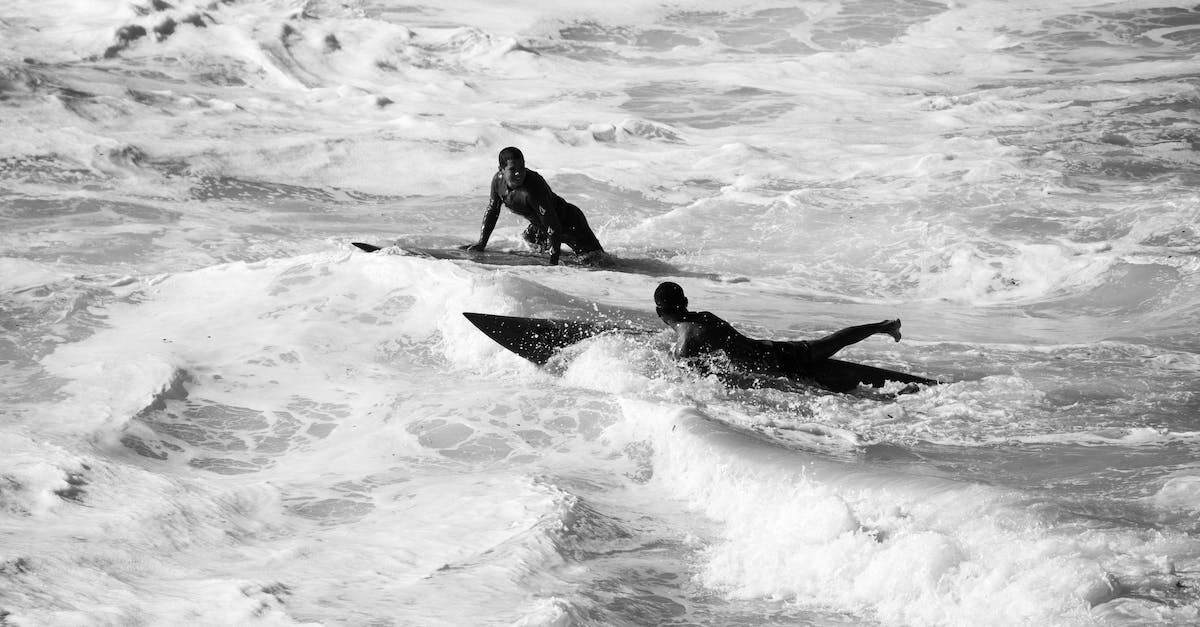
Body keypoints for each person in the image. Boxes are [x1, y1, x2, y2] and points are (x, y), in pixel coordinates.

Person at [653, 281, 901, 379]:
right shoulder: (703, 317)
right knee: (828, 343)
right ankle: (883, 327)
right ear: (686, 303)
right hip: (771, 350)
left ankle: (884, 326)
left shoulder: (685, 344)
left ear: (659, 313)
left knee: (827, 345)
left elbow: (706, 382)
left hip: (777, 362)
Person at [465, 146, 606, 266]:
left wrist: (553, 264)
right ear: (501, 169)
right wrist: (482, 244)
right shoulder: (498, 182)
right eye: (513, 169)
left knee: (598, 262)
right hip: (541, 226)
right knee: (529, 241)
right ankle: (562, 257)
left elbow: (554, 226)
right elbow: (492, 210)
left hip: (570, 224)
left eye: (522, 167)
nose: (519, 173)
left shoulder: (533, 188)